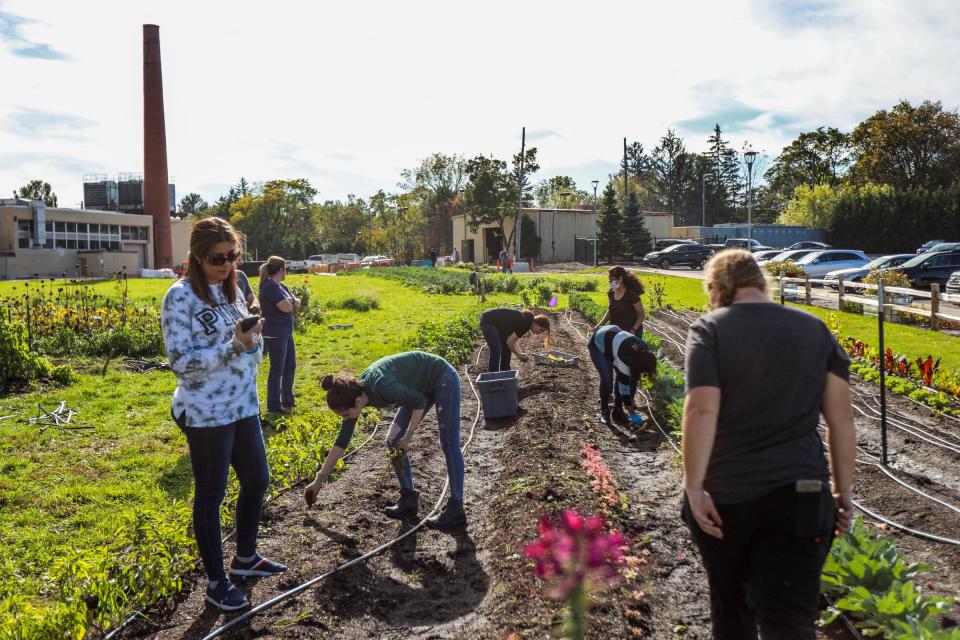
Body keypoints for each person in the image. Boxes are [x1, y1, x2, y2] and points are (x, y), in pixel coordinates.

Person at [681, 249, 856, 639]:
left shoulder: (710, 329)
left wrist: (694, 488)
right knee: (790, 621)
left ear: (717, 288)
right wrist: (843, 494)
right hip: (804, 496)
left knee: (733, 611)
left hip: (727, 498)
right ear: (762, 281)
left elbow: (702, 412)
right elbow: (841, 419)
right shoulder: (815, 330)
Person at [161, 217, 286, 612]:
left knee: (257, 480)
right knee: (211, 495)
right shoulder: (179, 298)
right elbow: (182, 364)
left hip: (243, 405)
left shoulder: (232, 290)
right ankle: (216, 582)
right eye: (219, 259)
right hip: (206, 412)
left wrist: (252, 340)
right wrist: (233, 347)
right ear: (197, 257)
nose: (228, 265)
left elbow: (246, 345)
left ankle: (245, 559)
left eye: (233, 257)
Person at [304, 351, 466, 531]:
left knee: (449, 443)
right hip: (418, 387)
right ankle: (408, 498)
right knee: (392, 439)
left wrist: (408, 438)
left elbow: (419, 401)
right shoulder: (353, 395)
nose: (345, 418)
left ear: (357, 401)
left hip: (442, 377)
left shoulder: (381, 386)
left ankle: (456, 507)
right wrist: (319, 480)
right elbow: (342, 441)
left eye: (346, 414)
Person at [587, 324, 658, 427]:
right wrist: (632, 413)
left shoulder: (644, 350)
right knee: (607, 379)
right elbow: (624, 387)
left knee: (622, 377)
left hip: (613, 336)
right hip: (598, 343)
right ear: (636, 365)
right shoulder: (623, 358)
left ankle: (618, 411)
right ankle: (604, 411)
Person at [258, 256, 301, 414]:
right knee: (277, 370)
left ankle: (288, 401)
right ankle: (274, 405)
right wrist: (291, 302)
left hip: (286, 333)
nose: (287, 271)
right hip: (274, 335)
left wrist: (291, 301)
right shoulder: (269, 286)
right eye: (286, 268)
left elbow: (297, 302)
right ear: (281, 269)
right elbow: (286, 308)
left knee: (290, 367)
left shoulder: (281, 286)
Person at [479, 307, 551, 372]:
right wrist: (519, 355)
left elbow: (513, 340)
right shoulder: (526, 324)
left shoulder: (527, 321)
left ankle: (505, 373)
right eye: (541, 330)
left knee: (506, 348)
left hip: (498, 326)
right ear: (536, 323)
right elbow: (510, 342)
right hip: (489, 321)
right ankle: (493, 376)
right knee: (496, 349)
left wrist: (520, 353)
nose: (539, 333)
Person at [588, 266, 645, 336]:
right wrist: (597, 326)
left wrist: (633, 330)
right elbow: (610, 311)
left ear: (620, 279)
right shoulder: (611, 293)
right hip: (616, 332)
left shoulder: (631, 295)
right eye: (609, 281)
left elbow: (641, 315)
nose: (610, 283)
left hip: (631, 332)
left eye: (612, 280)